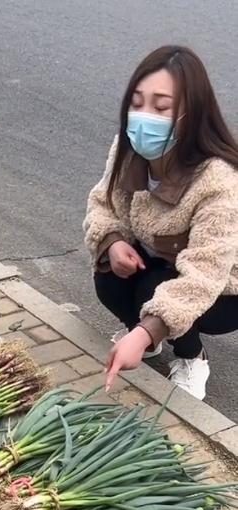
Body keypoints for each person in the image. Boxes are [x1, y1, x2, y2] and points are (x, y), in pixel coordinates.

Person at [84, 46, 238, 400]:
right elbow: (102, 204)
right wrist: (112, 242)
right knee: (109, 276)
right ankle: (147, 338)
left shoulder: (218, 179)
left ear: (191, 113)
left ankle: (192, 357)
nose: (143, 117)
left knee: (155, 288)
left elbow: (204, 275)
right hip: (160, 262)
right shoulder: (129, 149)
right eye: (137, 102)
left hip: (224, 287)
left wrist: (143, 332)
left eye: (161, 107)